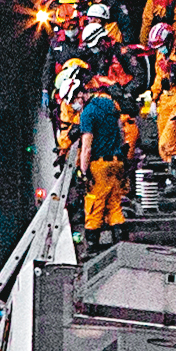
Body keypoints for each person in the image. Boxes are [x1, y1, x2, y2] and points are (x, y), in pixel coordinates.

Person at [73, 66, 128, 250]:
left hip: (100, 165)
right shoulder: (108, 104)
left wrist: (82, 171)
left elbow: (87, 147)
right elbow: (121, 131)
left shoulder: (87, 114)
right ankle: (121, 245)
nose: (74, 104)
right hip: (117, 162)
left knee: (93, 206)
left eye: (74, 99)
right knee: (114, 205)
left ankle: (92, 249)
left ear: (81, 94)